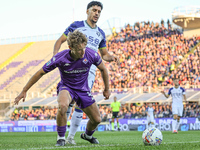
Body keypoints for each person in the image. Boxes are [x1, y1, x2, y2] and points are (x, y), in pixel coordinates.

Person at [14, 30, 111, 146]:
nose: (82, 52)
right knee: (63, 105)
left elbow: (103, 69)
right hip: (67, 87)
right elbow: (40, 73)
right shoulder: (61, 57)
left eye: (84, 48)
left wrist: (107, 89)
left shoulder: (91, 54)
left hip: (83, 89)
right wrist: (24, 90)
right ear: (70, 47)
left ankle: (87, 135)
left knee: (97, 120)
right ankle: (61, 138)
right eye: (79, 49)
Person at [53, 1, 119, 144]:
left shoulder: (100, 33)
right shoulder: (76, 25)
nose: (97, 13)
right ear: (87, 11)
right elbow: (60, 41)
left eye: (99, 11)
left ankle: (70, 137)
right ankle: (64, 137)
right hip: (72, 67)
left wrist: (111, 57)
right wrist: (55, 56)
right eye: (94, 10)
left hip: (89, 71)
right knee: (68, 104)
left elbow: (104, 55)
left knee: (78, 104)